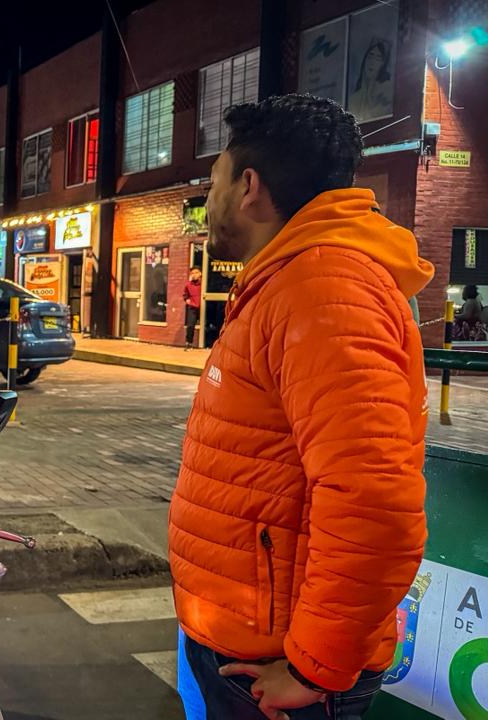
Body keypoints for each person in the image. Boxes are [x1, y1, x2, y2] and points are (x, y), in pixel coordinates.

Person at [172, 94, 430, 719]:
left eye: (213, 183)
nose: (206, 204)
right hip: (246, 646)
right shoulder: (287, 281)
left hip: (277, 672)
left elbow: (372, 501)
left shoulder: (322, 288)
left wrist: (317, 667)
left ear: (249, 187)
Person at [183, 266, 202, 349]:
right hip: (192, 307)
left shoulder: (204, 284)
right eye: (192, 273)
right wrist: (187, 300)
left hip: (203, 307)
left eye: (196, 272)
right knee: (190, 325)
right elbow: (185, 294)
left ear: (200, 273)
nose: (194, 275)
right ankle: (189, 342)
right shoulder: (188, 285)